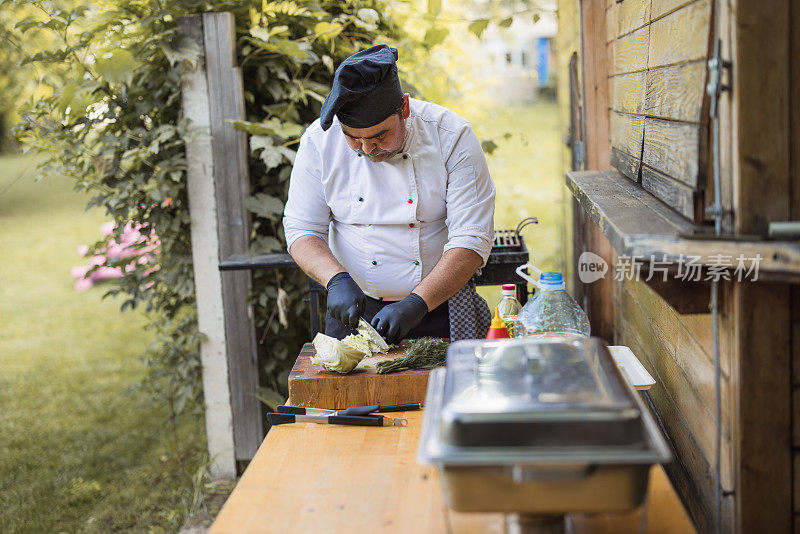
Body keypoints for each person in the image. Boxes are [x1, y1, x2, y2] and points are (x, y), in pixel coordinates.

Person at [283, 44, 495, 344]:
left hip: (439, 305)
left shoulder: (451, 136)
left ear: (404, 109)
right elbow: (301, 228)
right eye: (352, 138)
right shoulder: (319, 142)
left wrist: (416, 303)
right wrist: (336, 280)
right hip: (353, 311)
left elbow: (472, 238)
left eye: (379, 136)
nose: (367, 149)